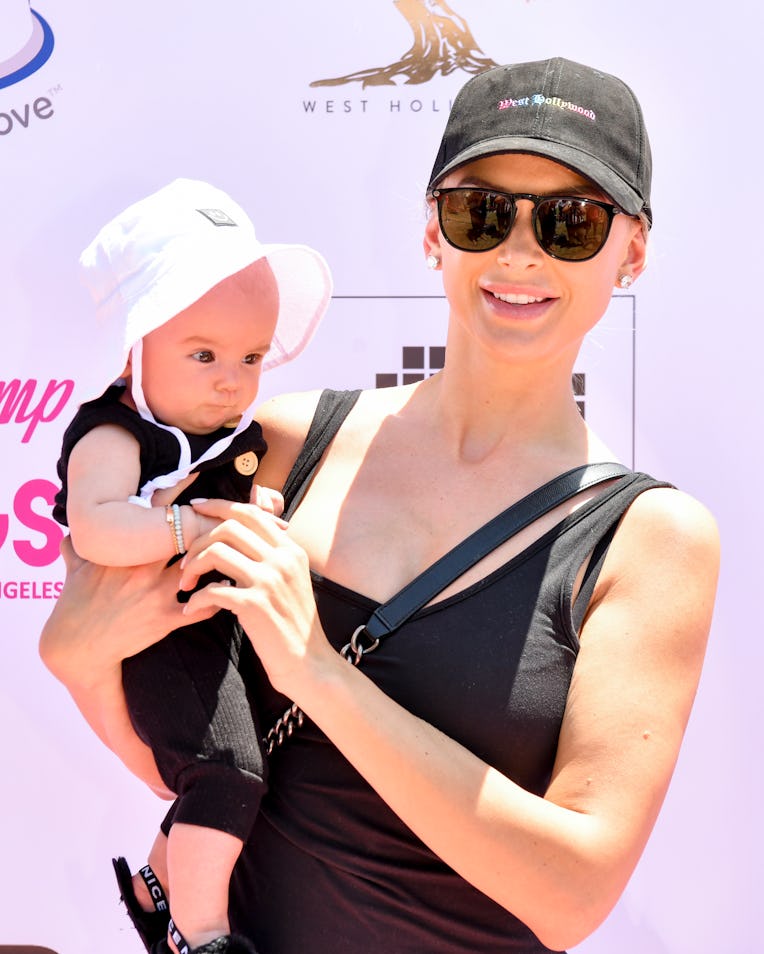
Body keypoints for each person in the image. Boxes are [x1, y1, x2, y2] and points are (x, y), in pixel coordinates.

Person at [40, 58, 720, 954]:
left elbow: (570, 898)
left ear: (631, 250)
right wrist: (81, 660)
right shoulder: (281, 444)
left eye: (571, 221)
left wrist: (317, 670)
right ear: (433, 232)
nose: (519, 253)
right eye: (481, 211)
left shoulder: (648, 539)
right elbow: (182, 747)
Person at [48, 178, 332, 954]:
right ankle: (200, 935)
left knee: (260, 751)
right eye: (202, 353)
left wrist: (255, 515)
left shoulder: (228, 436)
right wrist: (182, 522)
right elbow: (97, 530)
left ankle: (155, 882)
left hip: (212, 634)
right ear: (134, 347)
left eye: (249, 357)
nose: (230, 379)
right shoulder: (114, 432)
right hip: (156, 640)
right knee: (226, 773)